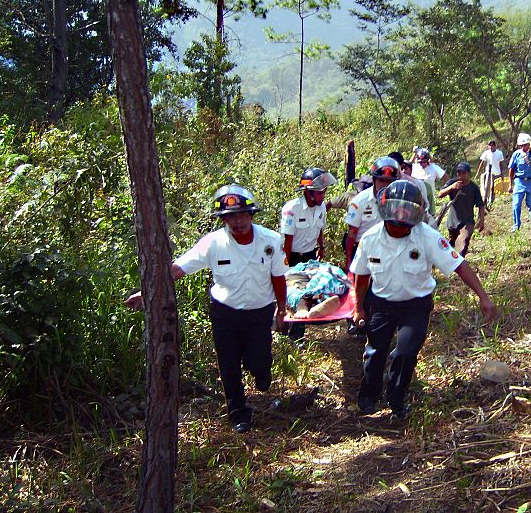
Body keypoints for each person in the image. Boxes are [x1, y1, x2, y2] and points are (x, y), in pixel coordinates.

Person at [126, 185, 287, 433]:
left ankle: (261, 373)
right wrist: (146, 293)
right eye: (230, 216)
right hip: (226, 314)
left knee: (260, 363)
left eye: (242, 214)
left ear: (252, 215)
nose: (238, 221)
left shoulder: (272, 240)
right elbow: (178, 268)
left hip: (259, 313)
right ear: (223, 220)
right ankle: (238, 414)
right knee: (229, 366)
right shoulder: (213, 243)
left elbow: (279, 278)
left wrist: (282, 310)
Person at [350, 180, 497, 418]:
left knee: (406, 353)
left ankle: (397, 399)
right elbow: (361, 275)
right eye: (395, 210)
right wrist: (358, 308)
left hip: (415, 306)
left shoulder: (427, 237)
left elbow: (459, 265)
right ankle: (369, 394)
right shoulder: (370, 238)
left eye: (406, 211)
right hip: (381, 304)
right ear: (386, 210)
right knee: (375, 353)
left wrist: (483, 297)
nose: (400, 217)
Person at [280, 167, 337, 340]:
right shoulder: (292, 209)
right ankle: (286, 331)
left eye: (324, 192)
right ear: (309, 192)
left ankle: (297, 335)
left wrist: (321, 247)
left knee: (308, 292)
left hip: (310, 257)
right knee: (293, 293)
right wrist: (284, 266)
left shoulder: (321, 208)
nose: (323, 196)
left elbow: (320, 229)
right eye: (320, 193)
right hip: (292, 256)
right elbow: (287, 241)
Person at [344, 156, 400, 270]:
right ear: (374, 180)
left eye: (389, 181)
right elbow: (352, 234)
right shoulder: (360, 201)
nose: (385, 185)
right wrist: (349, 262)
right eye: (381, 180)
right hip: (363, 252)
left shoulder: (399, 201)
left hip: (388, 251)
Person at [437, 162, 485, 256]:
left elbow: (480, 205)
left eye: (464, 173)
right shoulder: (452, 182)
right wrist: (451, 187)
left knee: (463, 241)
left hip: (467, 221)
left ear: (468, 174)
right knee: (451, 244)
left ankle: (459, 264)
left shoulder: (473, 188)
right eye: (459, 173)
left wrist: (481, 220)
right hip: (453, 221)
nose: (461, 176)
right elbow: (440, 194)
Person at [508, 133, 531, 231]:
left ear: (529, 144)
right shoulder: (517, 154)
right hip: (520, 181)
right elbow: (511, 170)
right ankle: (516, 225)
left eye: (525, 145)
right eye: (521, 145)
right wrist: (510, 185)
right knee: (516, 204)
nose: (523, 147)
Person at [411, 148, 448, 215]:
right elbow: (406, 166)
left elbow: (445, 176)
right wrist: (414, 153)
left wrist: (444, 188)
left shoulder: (433, 167)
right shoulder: (415, 167)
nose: (422, 164)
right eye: (420, 162)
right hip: (416, 199)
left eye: (424, 162)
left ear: (428, 160)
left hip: (429, 199)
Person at [476, 139, 505, 208]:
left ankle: (491, 201)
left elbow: (501, 164)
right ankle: (484, 201)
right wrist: (478, 172)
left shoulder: (499, 153)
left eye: (492, 145)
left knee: (493, 188)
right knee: (486, 187)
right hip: (488, 172)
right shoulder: (486, 153)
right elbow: (482, 163)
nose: (491, 147)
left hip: (496, 172)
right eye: (490, 145)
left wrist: (502, 173)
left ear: (495, 146)